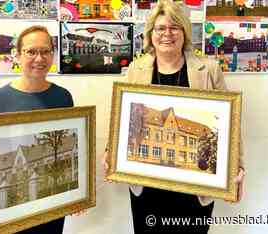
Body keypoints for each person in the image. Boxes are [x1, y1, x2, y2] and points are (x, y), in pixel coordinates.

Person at [103, 1, 245, 233]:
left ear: (184, 32)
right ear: (151, 33)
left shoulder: (208, 69)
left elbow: (231, 122)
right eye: (160, 28)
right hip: (147, 183)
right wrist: (112, 151)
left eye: (174, 27)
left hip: (196, 187)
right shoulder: (136, 69)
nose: (167, 34)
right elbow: (121, 116)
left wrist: (237, 168)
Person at [0, 25, 74, 234]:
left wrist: (76, 192)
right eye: (31, 52)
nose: (39, 58)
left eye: (45, 51)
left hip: (52, 208)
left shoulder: (63, 97)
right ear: (18, 56)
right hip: (9, 216)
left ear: (52, 55)